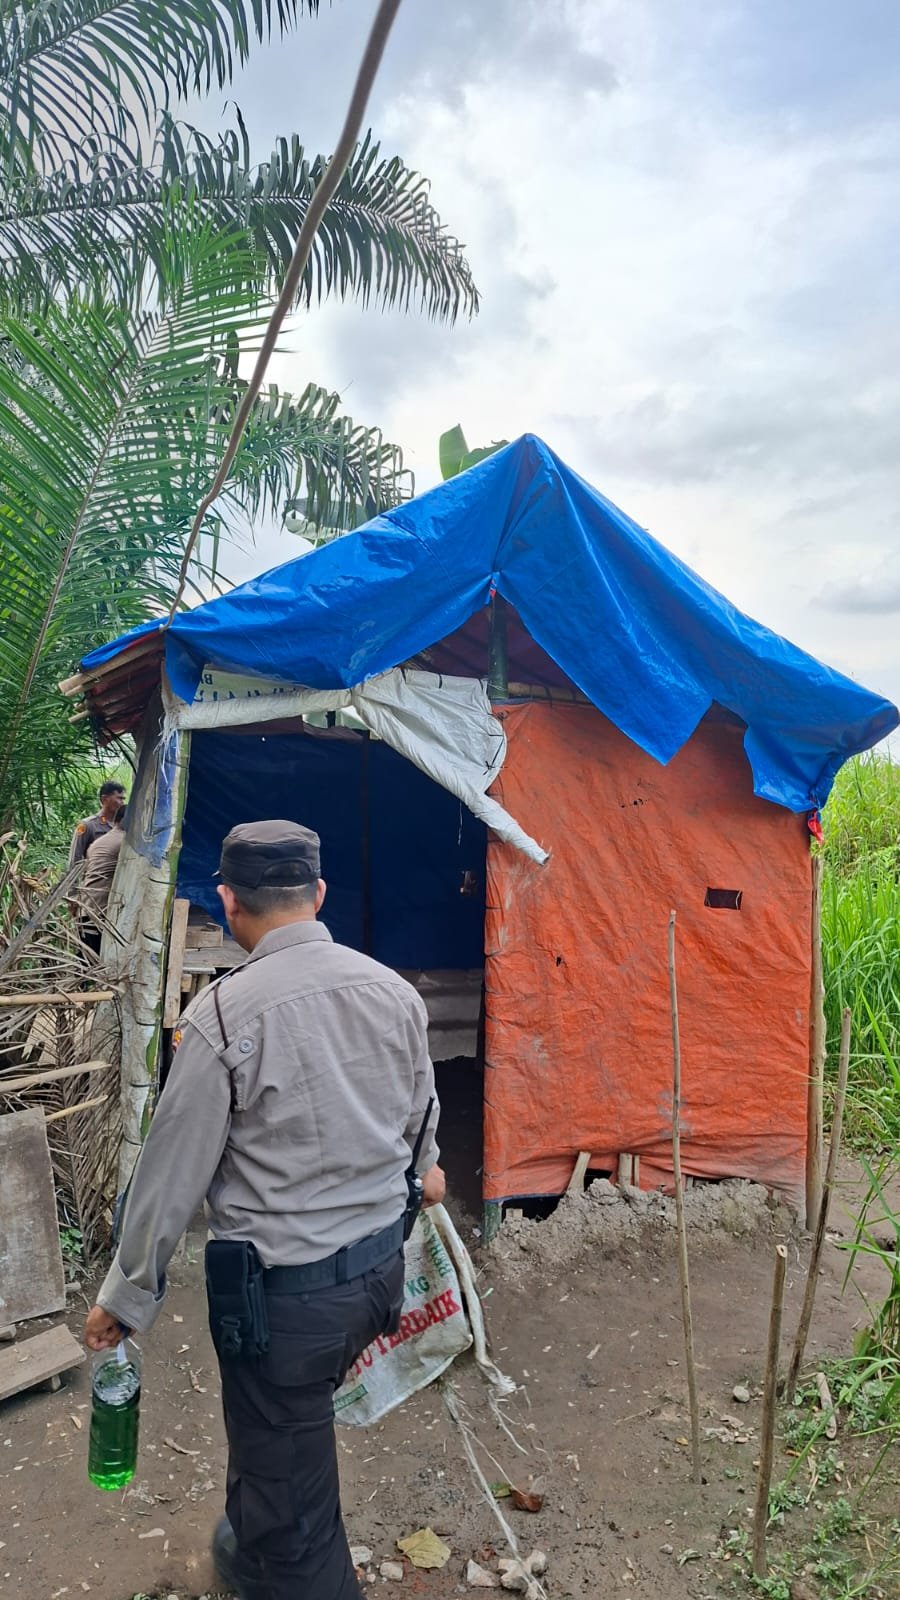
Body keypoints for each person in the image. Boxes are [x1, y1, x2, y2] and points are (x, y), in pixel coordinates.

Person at [84, 820, 444, 1600]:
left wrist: (126, 1297)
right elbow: (425, 1132)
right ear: (316, 895)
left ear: (227, 903)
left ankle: (281, 1560)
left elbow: (169, 1177)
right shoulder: (394, 994)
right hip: (380, 1277)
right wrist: (417, 1175)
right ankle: (248, 1543)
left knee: (294, 1507)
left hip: (285, 1308)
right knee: (273, 1433)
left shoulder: (220, 1019)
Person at [75, 804, 126, 956]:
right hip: (101, 910)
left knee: (85, 960)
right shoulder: (125, 843)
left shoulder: (101, 841)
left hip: (87, 906)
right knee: (97, 960)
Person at [68, 780, 127, 868]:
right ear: (104, 799)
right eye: (119, 798)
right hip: (94, 876)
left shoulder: (123, 826)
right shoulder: (86, 825)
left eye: (123, 799)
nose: (122, 803)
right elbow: (75, 858)